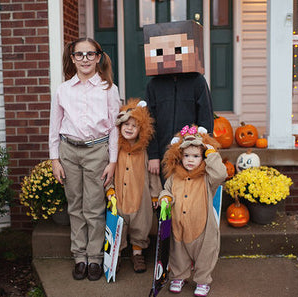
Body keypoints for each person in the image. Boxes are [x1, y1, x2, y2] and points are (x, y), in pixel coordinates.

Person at [49, 37, 121, 281]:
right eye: (79, 54)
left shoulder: (109, 89)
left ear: (98, 57)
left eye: (90, 54)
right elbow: (54, 125)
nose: (85, 59)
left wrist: (112, 160)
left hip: (96, 152)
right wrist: (54, 158)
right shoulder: (63, 90)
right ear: (72, 58)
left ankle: (95, 258)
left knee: (94, 207)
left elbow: (114, 128)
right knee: (75, 206)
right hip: (69, 151)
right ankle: (79, 256)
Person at [158, 125, 227, 297]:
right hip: (178, 226)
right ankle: (179, 276)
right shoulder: (175, 177)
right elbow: (166, 190)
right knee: (178, 253)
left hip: (202, 227)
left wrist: (212, 154)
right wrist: (165, 198)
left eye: (196, 156)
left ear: (203, 157)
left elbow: (221, 174)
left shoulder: (207, 178)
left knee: (205, 255)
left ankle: (203, 280)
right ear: (179, 156)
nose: (190, 160)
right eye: (186, 155)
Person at [143, 21, 215, 182]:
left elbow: (206, 118)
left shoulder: (197, 82)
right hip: (163, 152)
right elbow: (148, 122)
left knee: (189, 195)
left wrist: (202, 152)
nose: (169, 56)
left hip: (190, 153)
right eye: (162, 51)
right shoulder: (154, 85)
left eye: (177, 50)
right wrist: (153, 155)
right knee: (166, 194)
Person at [106, 98, 162, 273]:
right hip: (120, 196)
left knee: (141, 224)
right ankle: (118, 252)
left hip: (140, 196)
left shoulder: (145, 151)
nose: (129, 128)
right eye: (126, 125)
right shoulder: (116, 150)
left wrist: (155, 194)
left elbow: (152, 175)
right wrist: (110, 189)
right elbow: (110, 172)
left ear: (141, 130)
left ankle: (137, 253)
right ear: (120, 126)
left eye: (134, 126)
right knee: (119, 225)